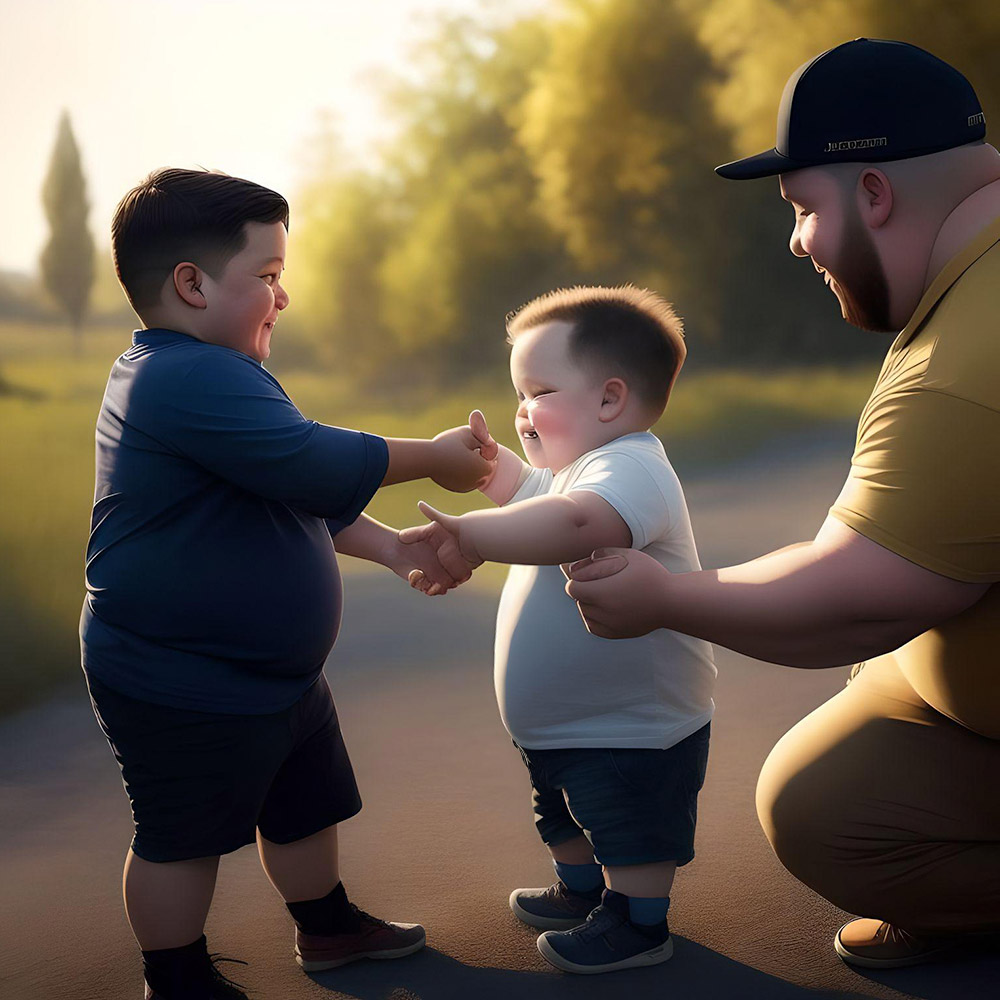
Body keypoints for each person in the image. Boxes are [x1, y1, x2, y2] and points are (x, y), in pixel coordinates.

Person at [564, 39, 1000, 969]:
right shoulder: (968, 283)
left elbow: (857, 600)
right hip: (954, 676)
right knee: (832, 779)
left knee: (824, 814)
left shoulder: (968, 361)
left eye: (802, 209)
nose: (798, 240)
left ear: (873, 193)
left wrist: (665, 597)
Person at [82, 167, 494, 1000]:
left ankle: (328, 924)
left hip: (273, 673)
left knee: (304, 803)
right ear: (191, 285)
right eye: (267, 278)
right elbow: (309, 459)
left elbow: (291, 490)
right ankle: (179, 978)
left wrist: (390, 549)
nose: (284, 297)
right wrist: (433, 460)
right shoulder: (181, 376)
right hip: (180, 671)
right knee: (180, 836)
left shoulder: (215, 373)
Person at [400, 285, 716, 974]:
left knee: (628, 823)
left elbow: (577, 522)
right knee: (565, 813)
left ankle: (638, 923)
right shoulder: (568, 470)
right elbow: (531, 497)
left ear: (609, 399)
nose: (520, 409)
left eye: (538, 390)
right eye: (516, 392)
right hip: (568, 725)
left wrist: (476, 537)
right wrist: (491, 472)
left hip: (632, 726)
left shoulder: (630, 467)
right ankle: (579, 890)